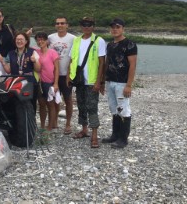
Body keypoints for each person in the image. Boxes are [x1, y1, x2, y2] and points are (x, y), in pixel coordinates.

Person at [68, 17, 106, 148]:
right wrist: (69, 76)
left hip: (91, 80)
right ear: (81, 26)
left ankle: (94, 134)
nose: (86, 27)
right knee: (81, 105)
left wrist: (99, 82)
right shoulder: (76, 40)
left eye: (89, 24)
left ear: (93, 26)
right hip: (78, 80)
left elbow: (102, 63)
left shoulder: (98, 41)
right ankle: (84, 130)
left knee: (92, 107)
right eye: (84, 24)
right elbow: (72, 60)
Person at [102, 18, 138, 149]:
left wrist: (129, 85)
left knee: (123, 109)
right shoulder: (110, 45)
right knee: (114, 108)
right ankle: (115, 135)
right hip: (110, 81)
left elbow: (132, 65)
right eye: (112, 27)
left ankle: (123, 139)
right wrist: (102, 80)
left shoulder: (130, 44)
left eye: (117, 27)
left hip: (122, 83)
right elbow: (107, 63)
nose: (114, 29)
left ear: (123, 28)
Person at [0, 8, 32, 75]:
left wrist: (27, 35)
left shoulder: (9, 27)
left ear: (3, 17)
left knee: (12, 78)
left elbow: (17, 38)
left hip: (12, 58)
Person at [0, 32, 41, 110]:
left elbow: (38, 69)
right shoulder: (10, 54)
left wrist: (35, 61)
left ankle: (31, 121)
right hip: (15, 83)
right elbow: (8, 71)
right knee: (15, 104)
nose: (19, 41)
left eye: (21, 39)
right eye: (17, 39)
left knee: (31, 104)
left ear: (26, 41)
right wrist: (2, 62)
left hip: (29, 82)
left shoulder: (32, 52)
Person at [48, 16, 76, 135]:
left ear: (67, 25)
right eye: (57, 23)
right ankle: (54, 122)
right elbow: (43, 49)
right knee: (54, 99)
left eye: (62, 23)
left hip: (66, 74)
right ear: (55, 25)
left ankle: (68, 124)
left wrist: (71, 73)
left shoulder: (73, 38)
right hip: (53, 74)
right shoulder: (50, 37)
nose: (60, 25)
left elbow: (74, 57)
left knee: (68, 99)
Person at [35, 32, 60, 131]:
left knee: (51, 104)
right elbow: (24, 44)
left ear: (47, 41)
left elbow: (57, 69)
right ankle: (42, 126)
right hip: (40, 82)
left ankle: (50, 126)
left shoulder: (52, 52)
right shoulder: (36, 52)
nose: (40, 41)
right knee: (41, 104)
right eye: (38, 40)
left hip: (50, 82)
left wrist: (56, 83)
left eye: (42, 39)